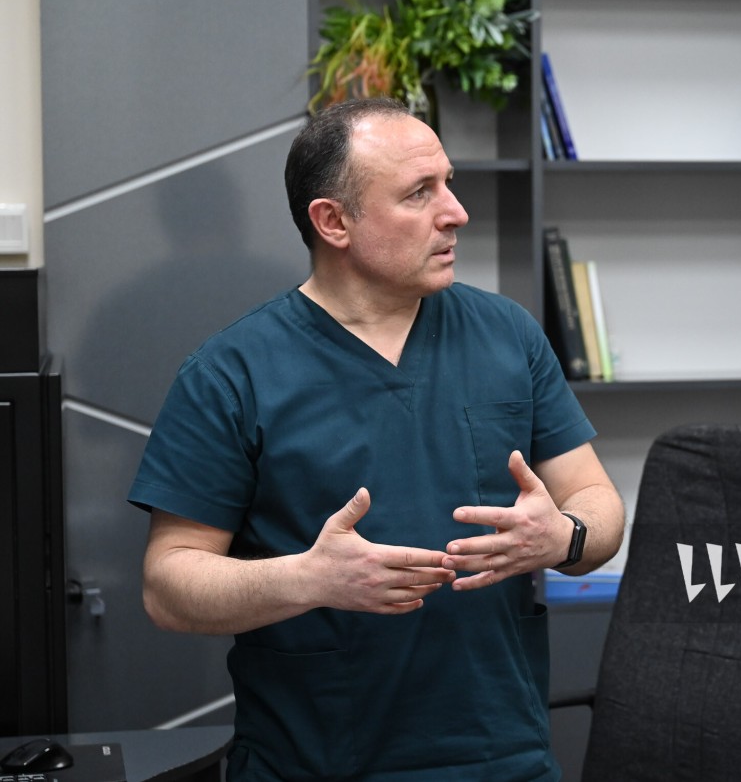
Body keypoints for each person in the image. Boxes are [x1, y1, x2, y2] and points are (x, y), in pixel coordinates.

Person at [130, 97, 625, 781]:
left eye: (448, 184)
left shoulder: (508, 335)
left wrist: (565, 536)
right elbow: (168, 586)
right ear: (333, 221)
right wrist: (308, 578)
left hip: (503, 758)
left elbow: (599, 502)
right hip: (316, 763)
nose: (456, 212)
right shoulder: (231, 372)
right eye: (420, 193)